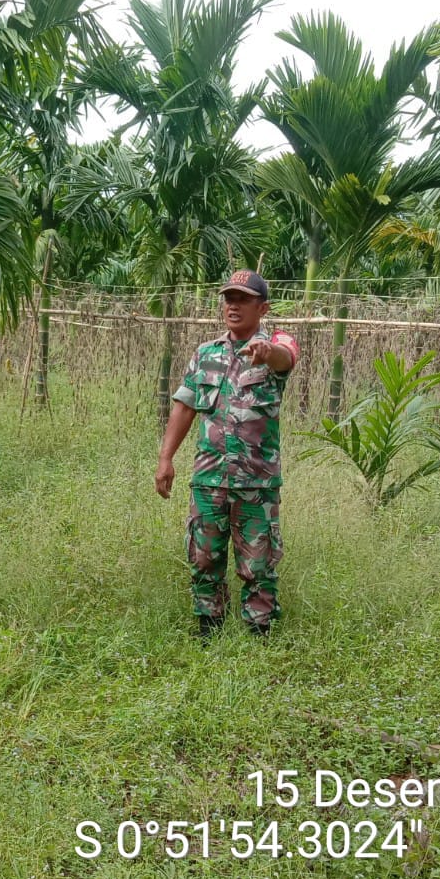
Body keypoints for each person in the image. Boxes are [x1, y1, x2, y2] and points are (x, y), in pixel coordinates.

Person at [155, 269, 299, 638]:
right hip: (209, 477)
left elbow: (286, 358)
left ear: (262, 308)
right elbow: (185, 405)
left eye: (243, 299)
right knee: (204, 557)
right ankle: (209, 626)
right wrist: (166, 458)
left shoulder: (275, 345)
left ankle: (259, 631)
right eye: (229, 299)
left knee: (258, 563)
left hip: (256, 481)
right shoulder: (206, 354)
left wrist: (268, 353)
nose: (233, 306)